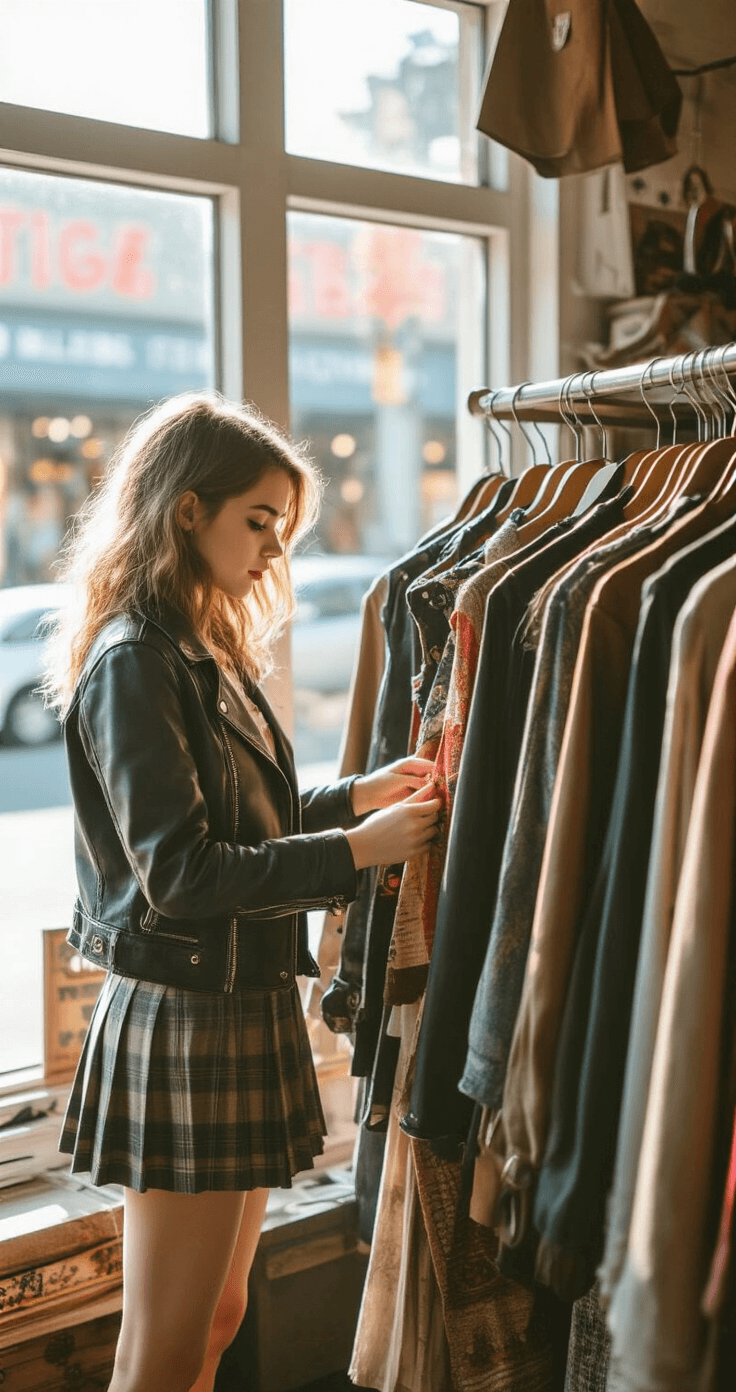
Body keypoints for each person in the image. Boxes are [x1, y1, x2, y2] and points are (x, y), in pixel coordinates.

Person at [43, 392, 441, 1392]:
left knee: (214, 1319)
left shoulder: (193, 645)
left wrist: (354, 797)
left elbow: (235, 821)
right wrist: (355, 848)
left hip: (236, 1002)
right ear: (187, 510)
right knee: (165, 1345)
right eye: (258, 520)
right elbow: (180, 876)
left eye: (282, 527)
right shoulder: (137, 658)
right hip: (186, 1013)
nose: (275, 548)